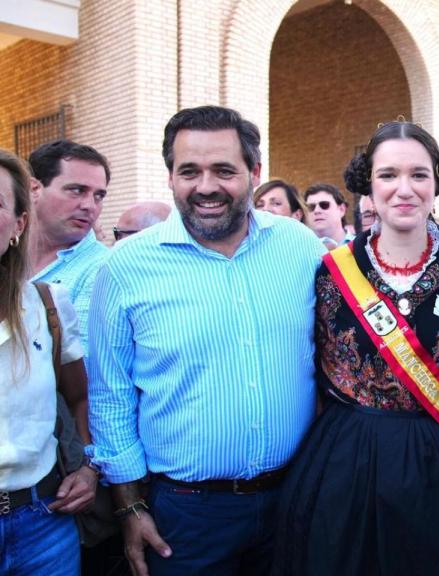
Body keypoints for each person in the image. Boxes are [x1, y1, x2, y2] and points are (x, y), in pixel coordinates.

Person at [87, 105, 325, 576]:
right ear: (171, 177)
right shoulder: (125, 267)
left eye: (224, 170)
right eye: (189, 171)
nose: (206, 187)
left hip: (294, 500)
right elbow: (109, 397)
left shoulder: (301, 248)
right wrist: (130, 509)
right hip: (185, 516)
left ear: (255, 173)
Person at [274, 121, 439, 575]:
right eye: (388, 175)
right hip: (344, 466)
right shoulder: (329, 271)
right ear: (367, 185)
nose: (403, 189)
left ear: (437, 183)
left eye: (418, 175)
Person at [1, 148, 97, 575]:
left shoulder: (47, 307)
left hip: (43, 524)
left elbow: (80, 396)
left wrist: (88, 467)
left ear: (19, 224)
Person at [27, 139, 111, 353]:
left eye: (98, 196)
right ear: (33, 189)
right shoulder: (7, 251)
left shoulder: (103, 269)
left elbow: (82, 364)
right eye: (76, 190)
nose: (89, 206)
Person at [304, 183, 351, 248]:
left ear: (341, 210)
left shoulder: (362, 244)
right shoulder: (300, 250)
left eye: (324, 205)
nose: (317, 210)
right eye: (311, 207)